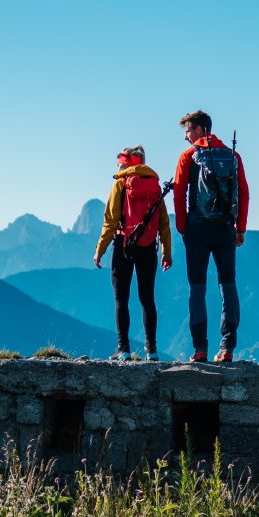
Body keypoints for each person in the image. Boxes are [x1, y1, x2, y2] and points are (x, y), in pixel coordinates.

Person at [168, 109, 248, 362]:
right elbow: (243, 193)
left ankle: (200, 348)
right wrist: (240, 228)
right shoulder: (233, 155)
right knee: (228, 285)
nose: (186, 137)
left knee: (197, 288)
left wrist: (182, 227)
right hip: (225, 227)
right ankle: (227, 348)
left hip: (197, 229)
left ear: (201, 129)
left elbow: (179, 194)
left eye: (188, 131)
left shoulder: (188, 156)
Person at [92, 145, 171, 359]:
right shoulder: (154, 185)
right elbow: (164, 221)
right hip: (148, 247)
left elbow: (109, 222)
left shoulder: (120, 183)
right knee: (147, 298)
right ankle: (151, 350)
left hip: (124, 244)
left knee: (121, 298)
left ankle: (123, 349)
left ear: (125, 163)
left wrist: (100, 249)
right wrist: (166, 251)